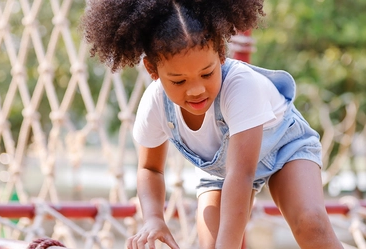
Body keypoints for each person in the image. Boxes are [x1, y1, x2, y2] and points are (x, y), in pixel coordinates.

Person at [80, 0, 343, 248]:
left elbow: (241, 175)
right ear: (152, 70)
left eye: (206, 74)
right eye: (179, 81)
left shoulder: (241, 87)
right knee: (211, 243)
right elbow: (150, 169)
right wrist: (154, 218)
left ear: (220, 53)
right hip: (222, 170)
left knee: (310, 224)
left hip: (285, 148)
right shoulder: (155, 103)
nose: (196, 90)